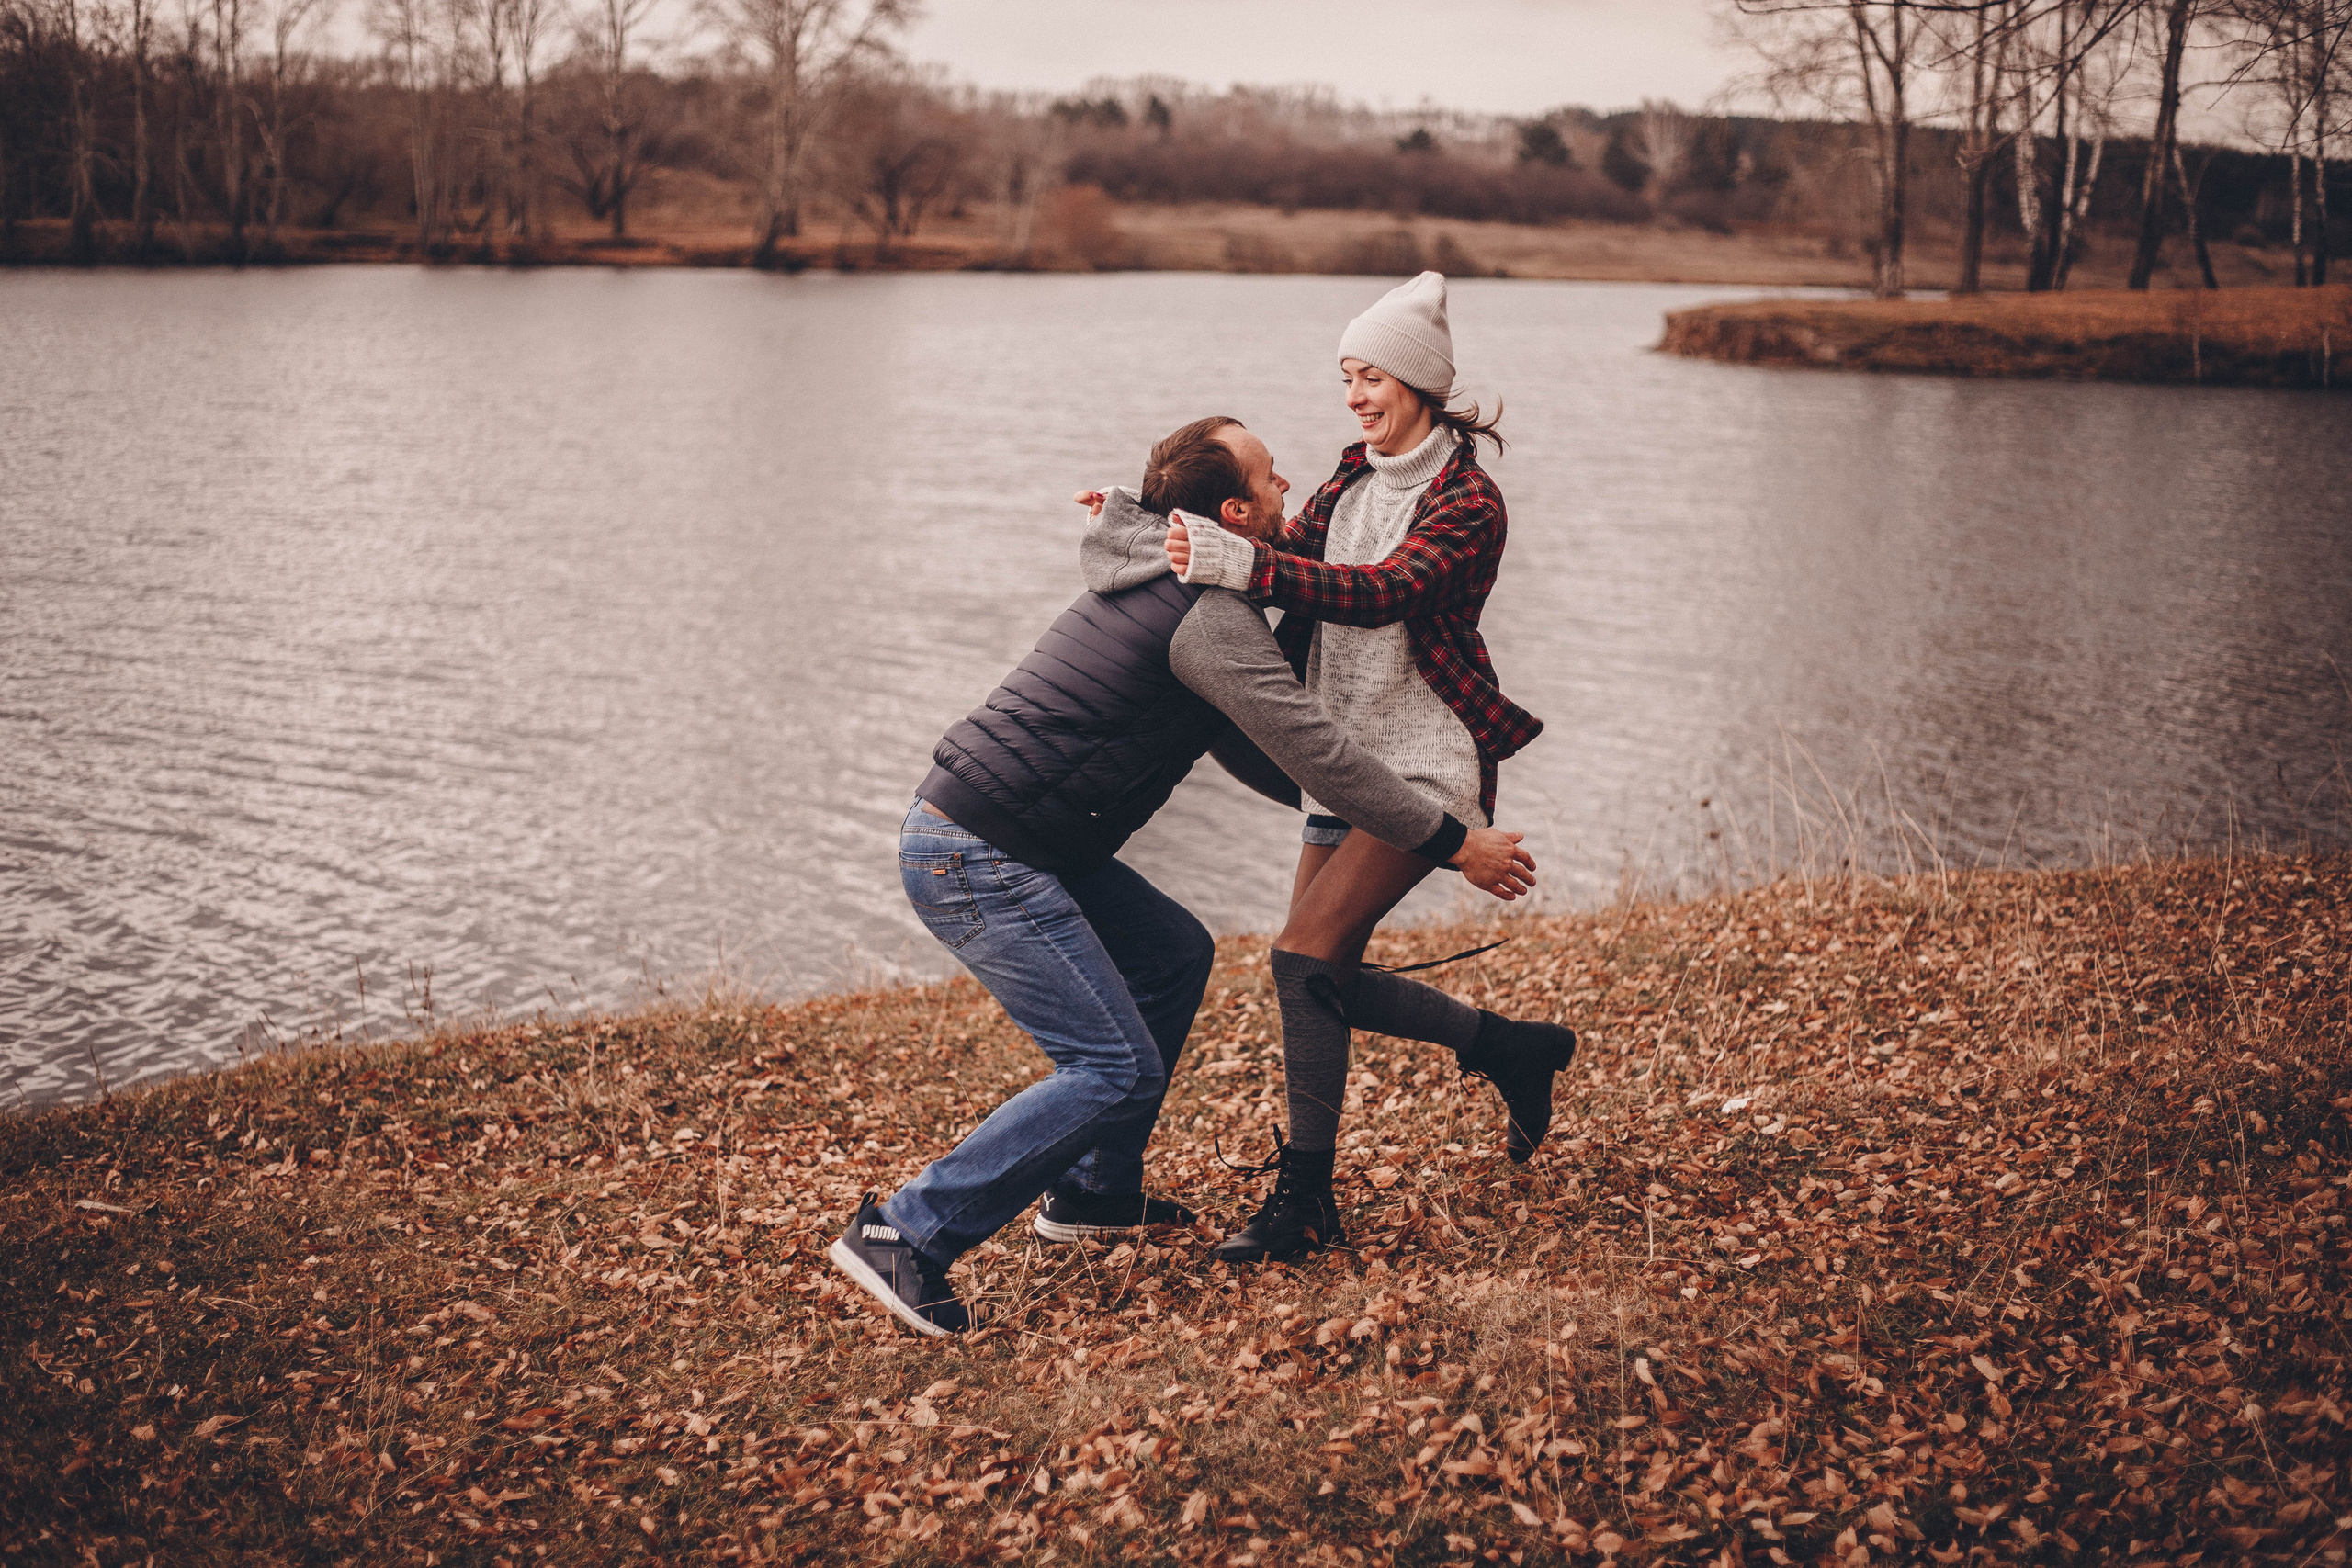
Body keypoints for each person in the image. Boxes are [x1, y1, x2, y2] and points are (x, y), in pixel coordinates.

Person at [827, 414, 1538, 1337]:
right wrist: (1449, 840)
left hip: (1014, 839)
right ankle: (907, 1232)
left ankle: (1094, 1195)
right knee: (1111, 1068)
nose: (1293, 494)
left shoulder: (1162, 571)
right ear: (1236, 513)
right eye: (1275, 480)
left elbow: (1245, 747)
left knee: (1171, 954)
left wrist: (1344, 816)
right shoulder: (1211, 618)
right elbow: (1313, 748)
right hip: (977, 853)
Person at [1113, 271, 1576, 1265]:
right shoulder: (1349, 478)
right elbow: (1269, 536)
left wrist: (1241, 565)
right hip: (1345, 757)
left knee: (1301, 957)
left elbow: (1377, 593)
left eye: (1371, 376)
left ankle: (1307, 1203)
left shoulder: (1467, 503)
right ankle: (1510, 1048)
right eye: (1346, 378)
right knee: (1312, 976)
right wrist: (1146, 521)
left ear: (1416, 379)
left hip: (1423, 758)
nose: (1357, 395)